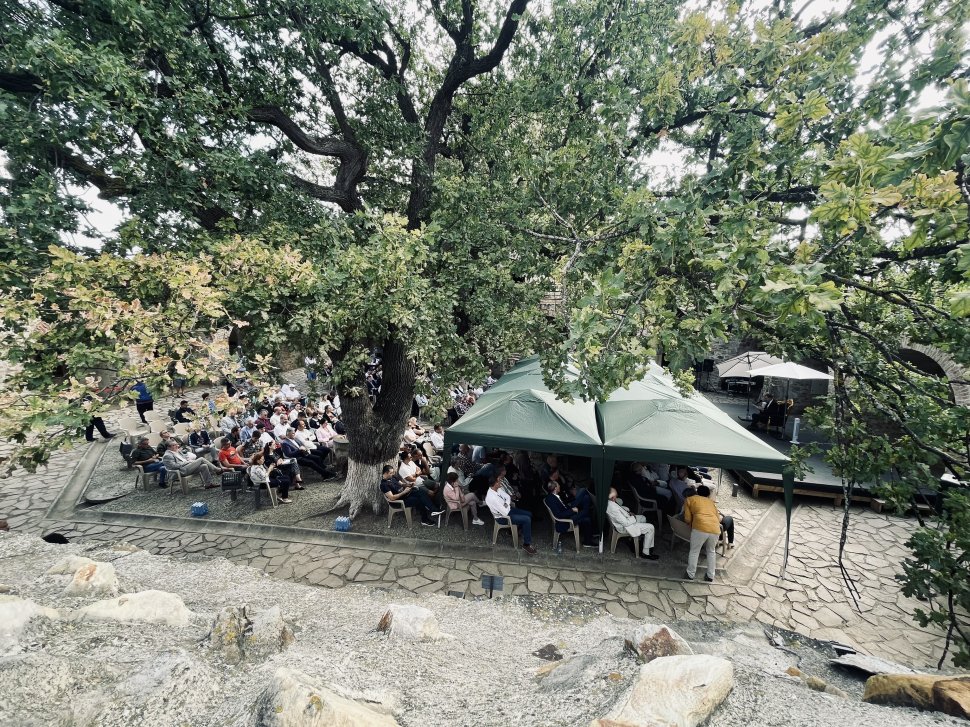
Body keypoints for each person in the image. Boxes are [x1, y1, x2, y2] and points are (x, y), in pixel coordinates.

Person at [485, 477, 537, 555]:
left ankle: (517, 530)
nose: (501, 483)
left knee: (529, 514)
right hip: (503, 518)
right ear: (495, 484)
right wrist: (506, 505)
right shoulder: (491, 497)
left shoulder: (497, 489)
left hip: (509, 510)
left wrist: (505, 504)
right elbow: (505, 513)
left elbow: (508, 497)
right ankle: (526, 544)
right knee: (527, 519)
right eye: (499, 482)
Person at [606, 487, 659, 560]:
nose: (616, 497)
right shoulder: (613, 508)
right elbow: (625, 523)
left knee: (643, 518)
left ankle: (635, 541)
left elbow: (620, 510)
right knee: (651, 527)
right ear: (612, 497)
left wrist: (628, 512)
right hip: (625, 527)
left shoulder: (609, 502)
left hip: (624, 520)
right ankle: (646, 553)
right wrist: (633, 517)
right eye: (615, 496)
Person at [684, 484, 722, 582]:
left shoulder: (690, 499)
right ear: (708, 495)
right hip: (715, 529)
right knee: (711, 551)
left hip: (700, 527)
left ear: (697, 492)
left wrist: (691, 523)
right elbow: (718, 519)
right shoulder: (711, 502)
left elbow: (687, 519)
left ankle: (690, 574)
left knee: (694, 551)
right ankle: (710, 576)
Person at [544, 480, 596, 547]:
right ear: (555, 488)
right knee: (586, 509)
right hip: (567, 519)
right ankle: (594, 533)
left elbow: (562, 506)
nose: (560, 486)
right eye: (558, 485)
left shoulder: (554, 496)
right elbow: (559, 515)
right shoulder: (551, 499)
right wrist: (572, 510)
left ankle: (588, 540)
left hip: (568, 513)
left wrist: (570, 507)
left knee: (586, 499)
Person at [160, 441, 225, 488]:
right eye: (174, 445)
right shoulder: (167, 455)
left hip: (187, 467)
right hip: (180, 471)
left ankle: (208, 484)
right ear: (169, 447)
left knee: (204, 466)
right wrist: (187, 462)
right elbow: (173, 466)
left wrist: (189, 460)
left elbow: (184, 458)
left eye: (177, 444)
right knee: (201, 459)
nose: (177, 446)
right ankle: (218, 470)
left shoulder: (177, 451)